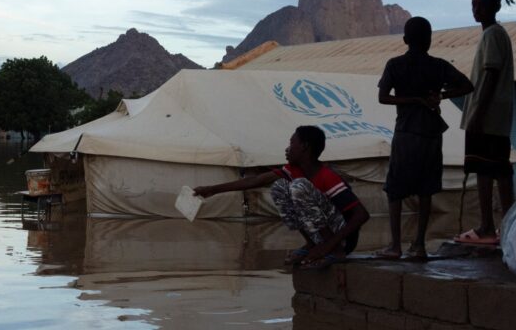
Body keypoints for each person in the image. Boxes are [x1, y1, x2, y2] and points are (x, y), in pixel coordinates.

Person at [194, 126, 370, 269]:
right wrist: (213, 189)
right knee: (280, 188)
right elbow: (256, 180)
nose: (287, 149)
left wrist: (328, 245)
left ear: (304, 147)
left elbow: (361, 215)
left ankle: (334, 251)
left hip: (341, 238)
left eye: (291, 143)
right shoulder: (292, 171)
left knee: (298, 186)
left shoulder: (327, 176)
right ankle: (311, 243)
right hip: (323, 237)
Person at [377, 17, 474, 259]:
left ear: (405, 40)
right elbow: (467, 86)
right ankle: (419, 245)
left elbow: (383, 98)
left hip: (406, 131)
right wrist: (439, 95)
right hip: (430, 132)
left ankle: (396, 246)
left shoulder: (395, 65)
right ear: (429, 40)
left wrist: (411, 100)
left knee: (395, 189)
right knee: (426, 189)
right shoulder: (438, 66)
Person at [455, 0, 516, 245]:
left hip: (486, 116)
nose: (476, 9)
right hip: (496, 117)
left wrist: (478, 113)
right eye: (473, 4)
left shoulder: (492, 34)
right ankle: (511, 228)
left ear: (495, 7)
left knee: (483, 169)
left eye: (481, 4)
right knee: (501, 170)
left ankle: (487, 227)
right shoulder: (496, 34)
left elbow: (490, 75)